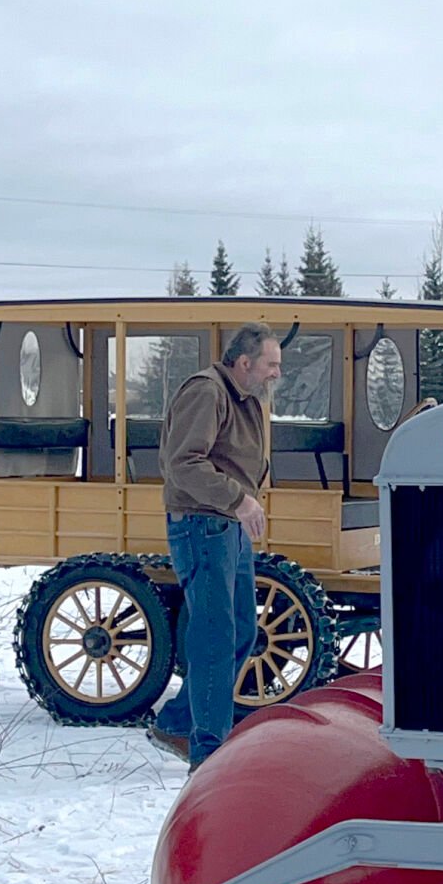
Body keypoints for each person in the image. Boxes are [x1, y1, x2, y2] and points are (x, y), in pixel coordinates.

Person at [147, 324, 282, 771]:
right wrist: (238, 499)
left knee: (243, 630)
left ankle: (177, 722)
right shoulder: (207, 392)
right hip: (203, 526)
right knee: (214, 637)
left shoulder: (243, 397)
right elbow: (181, 463)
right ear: (244, 363)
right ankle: (207, 753)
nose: (276, 374)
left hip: (229, 527)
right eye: (270, 365)